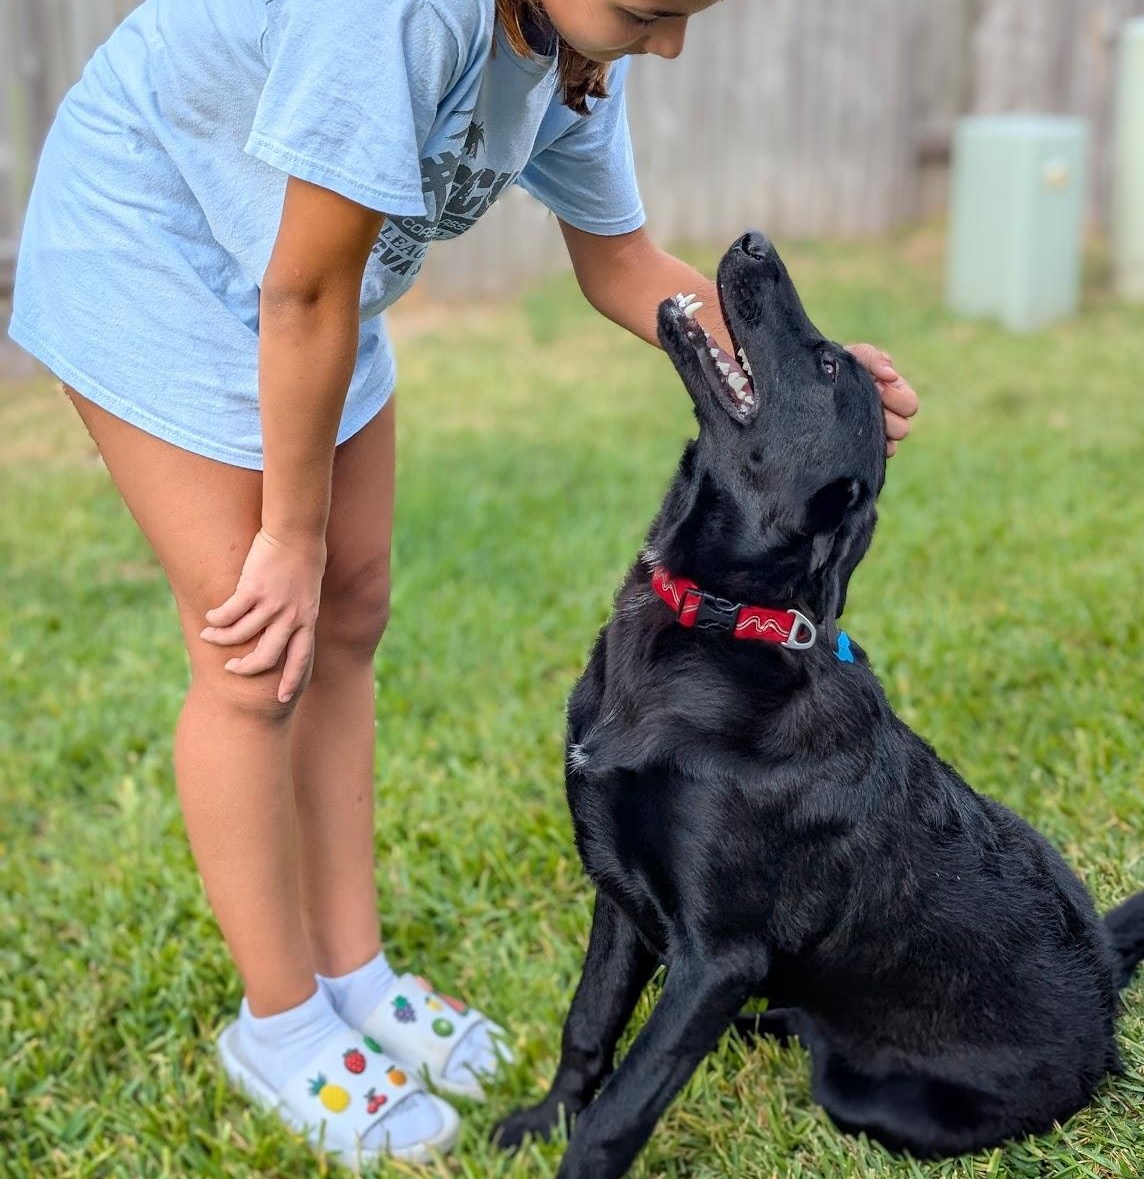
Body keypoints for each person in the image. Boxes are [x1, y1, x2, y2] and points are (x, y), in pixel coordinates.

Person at [8, 0, 919, 1167]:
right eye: (652, 13)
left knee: (351, 611)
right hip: (162, 259)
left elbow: (624, 263)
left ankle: (355, 970)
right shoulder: (391, 17)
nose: (671, 44)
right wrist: (288, 533)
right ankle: (279, 1023)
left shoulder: (571, 39)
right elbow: (302, 295)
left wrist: (807, 387)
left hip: (308, 292)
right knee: (254, 648)